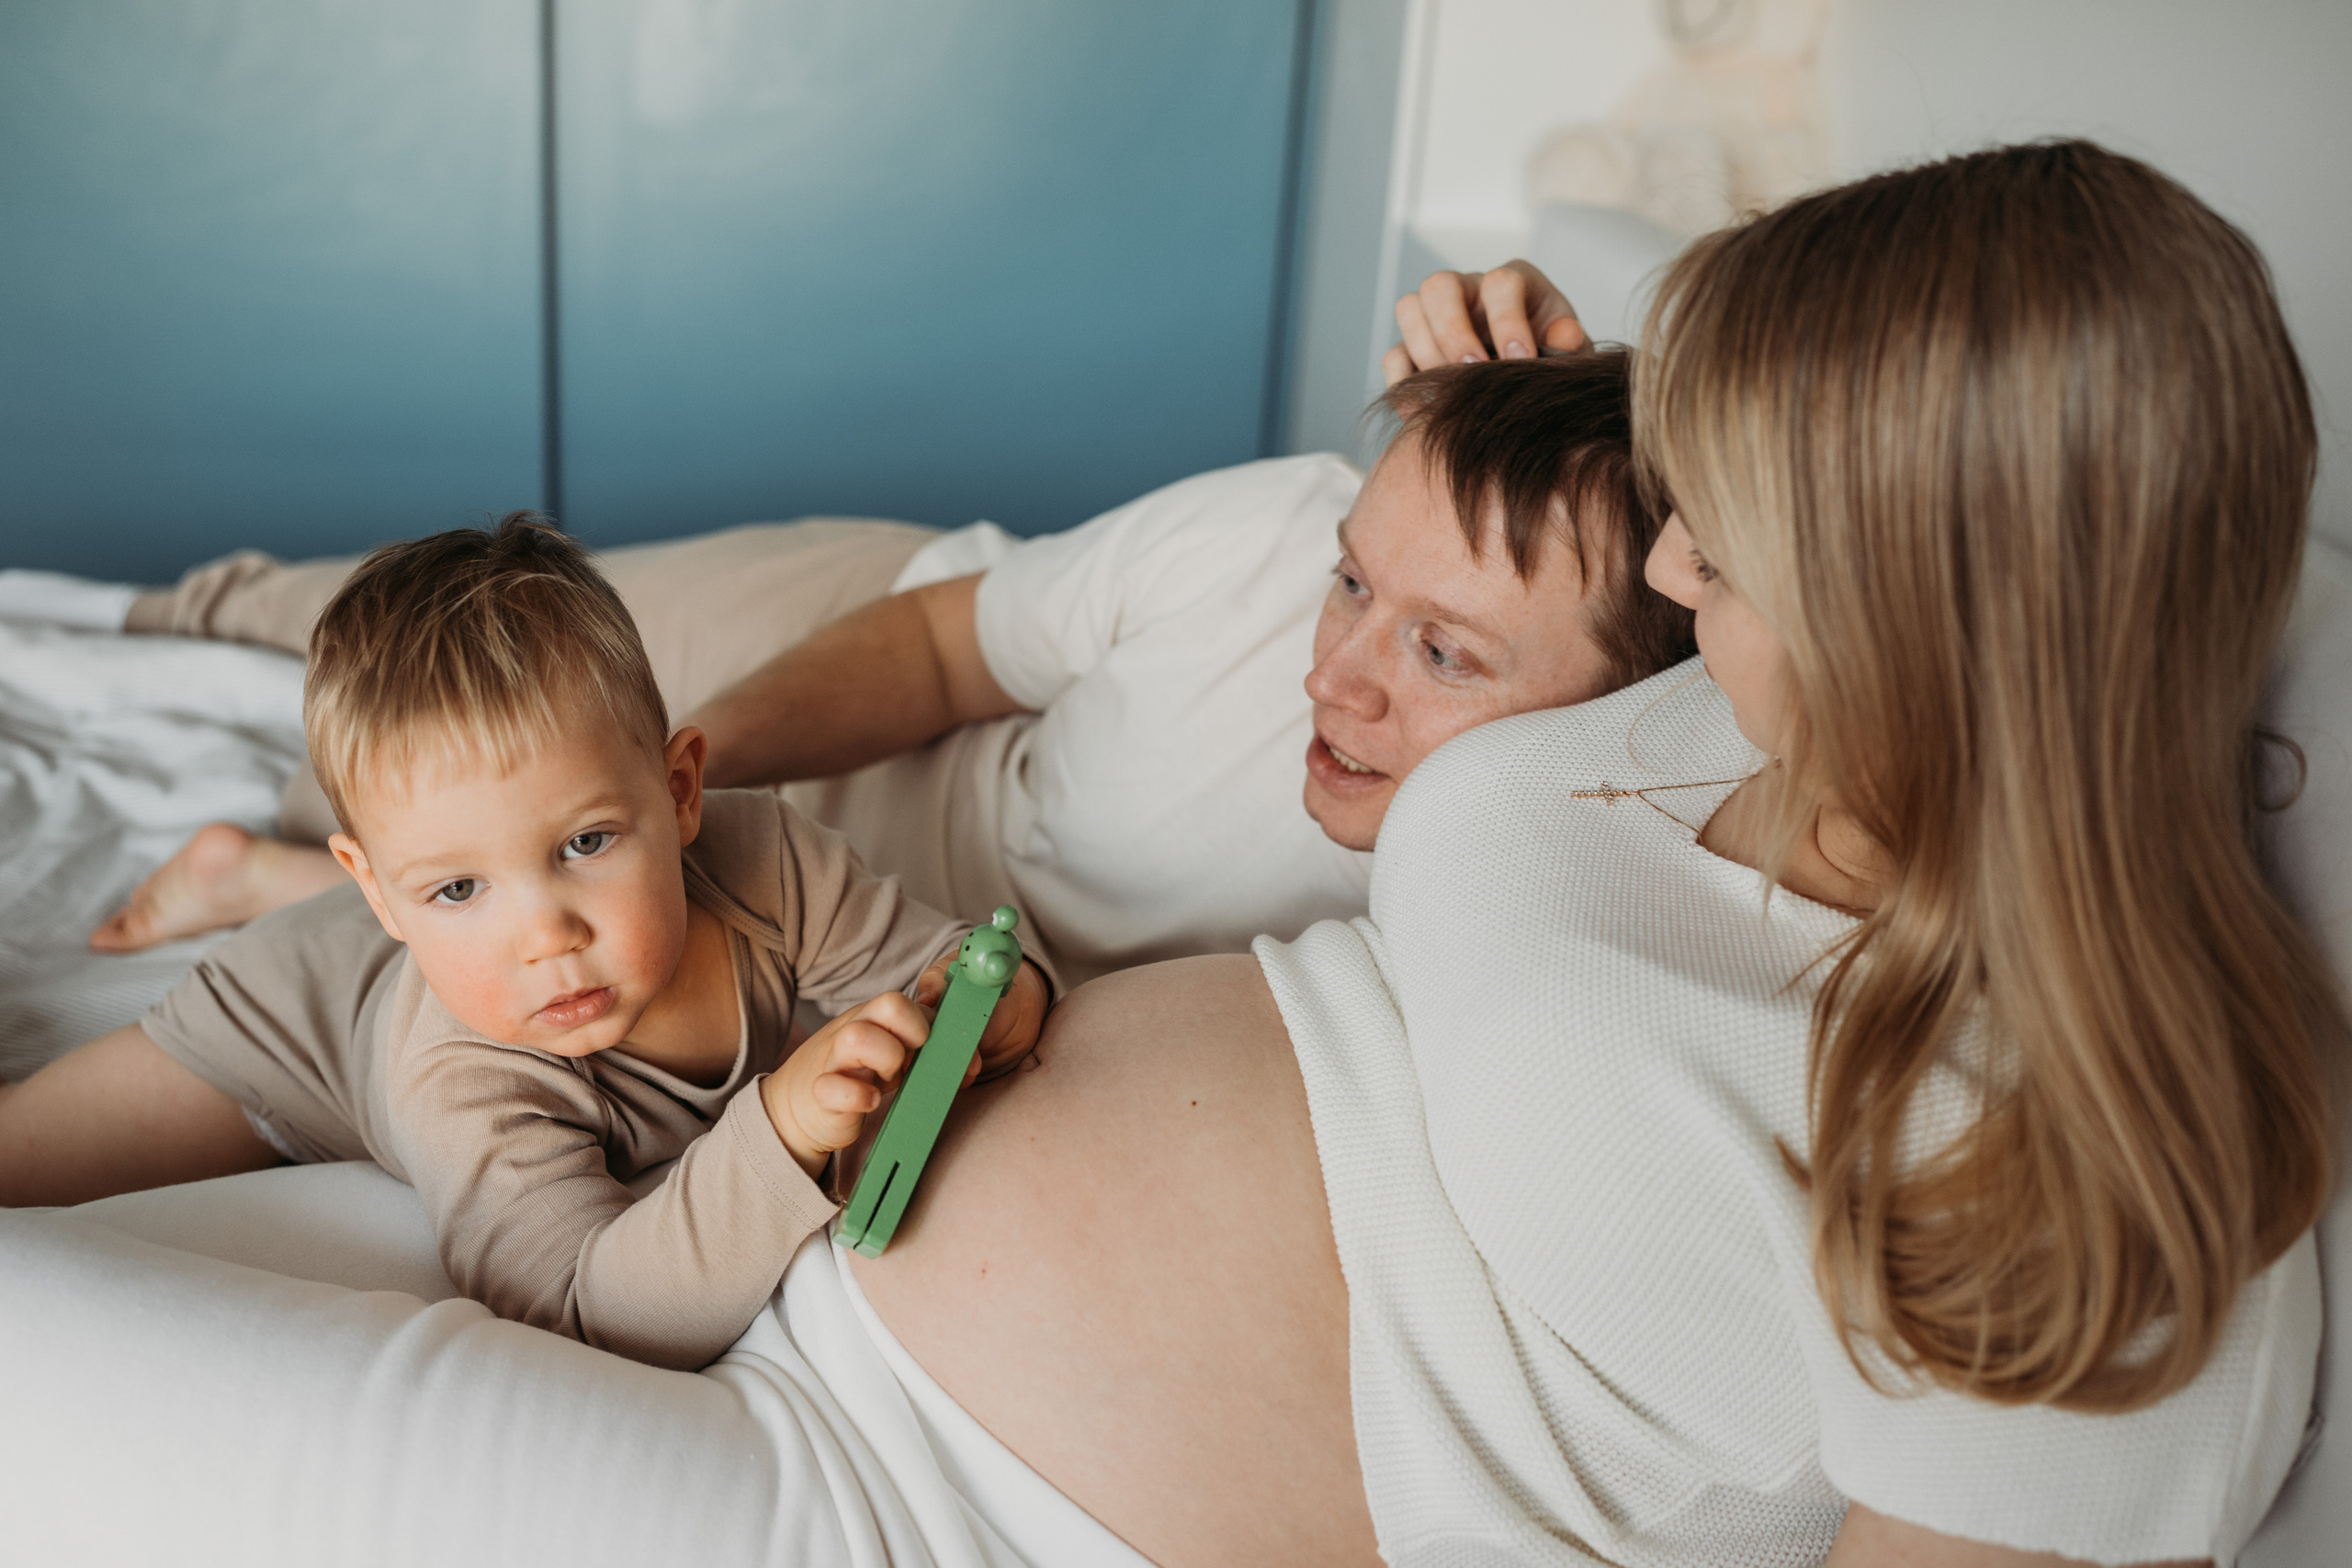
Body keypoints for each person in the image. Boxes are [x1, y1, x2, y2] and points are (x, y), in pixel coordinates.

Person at [0, 141, 2329, 1568]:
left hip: (915, 1490)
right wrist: (1550, 389)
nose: (1677, 556)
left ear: (1939, 603)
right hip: (746, 1210)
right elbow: (1568, 569)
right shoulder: (1709, 692)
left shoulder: (2104, 1194)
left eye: (1739, 534)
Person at [81, 351, 1690, 987]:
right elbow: (935, 644)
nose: (1330, 675)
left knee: (512, 879)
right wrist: (661, 781)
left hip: (878, 933)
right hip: (872, 669)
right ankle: (162, 620)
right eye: (1351, 583)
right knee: (380, 631)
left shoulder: (1583, 884)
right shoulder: (1262, 535)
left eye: (1441, 652)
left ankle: (258, 873)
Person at [0, 516, 1052, 1370]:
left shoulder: (770, 861)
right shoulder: (462, 1073)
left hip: (375, 945)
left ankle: (260, 873)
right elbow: (580, 1311)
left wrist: (995, 1000)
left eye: (586, 843)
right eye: (455, 886)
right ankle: (253, 884)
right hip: (286, 1021)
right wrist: (774, 1134)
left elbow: (940, 965)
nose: (548, 935)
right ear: (381, 889)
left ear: (681, 791)